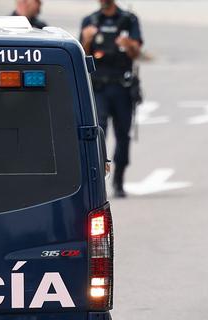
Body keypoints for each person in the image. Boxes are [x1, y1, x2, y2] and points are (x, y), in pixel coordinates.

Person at [81, 0, 143, 198]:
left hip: (122, 87)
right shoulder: (90, 20)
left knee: (123, 135)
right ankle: (97, 180)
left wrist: (128, 44)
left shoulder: (128, 20)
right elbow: (83, 55)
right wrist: (87, 40)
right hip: (99, 88)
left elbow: (136, 53)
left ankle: (119, 180)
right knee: (98, 133)